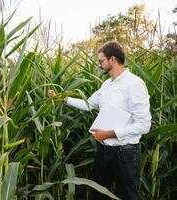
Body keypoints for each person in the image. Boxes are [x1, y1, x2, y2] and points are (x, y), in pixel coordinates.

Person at [47, 41, 151, 200]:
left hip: (125, 153)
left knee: (127, 195)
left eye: (101, 61)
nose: (99, 65)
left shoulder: (134, 84)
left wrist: (109, 134)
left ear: (113, 59)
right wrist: (63, 98)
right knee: (98, 194)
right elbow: (88, 104)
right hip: (103, 151)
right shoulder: (106, 85)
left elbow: (144, 125)